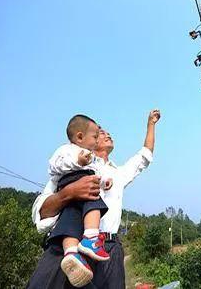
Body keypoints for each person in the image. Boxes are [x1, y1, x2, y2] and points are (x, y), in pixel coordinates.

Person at [27, 109, 161, 289]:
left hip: (108, 249)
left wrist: (151, 124)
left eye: (106, 133)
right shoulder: (69, 166)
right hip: (68, 245)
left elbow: (144, 156)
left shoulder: (117, 174)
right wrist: (69, 193)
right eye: (100, 133)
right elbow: (41, 214)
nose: (106, 134)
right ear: (85, 139)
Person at [46, 114, 113, 287]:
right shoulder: (67, 150)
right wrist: (77, 160)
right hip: (74, 182)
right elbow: (54, 166)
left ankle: (71, 254)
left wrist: (105, 181)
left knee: (69, 222)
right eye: (95, 137)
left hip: (72, 199)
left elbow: (99, 170)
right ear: (80, 137)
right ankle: (90, 236)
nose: (97, 140)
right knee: (93, 202)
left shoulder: (94, 158)